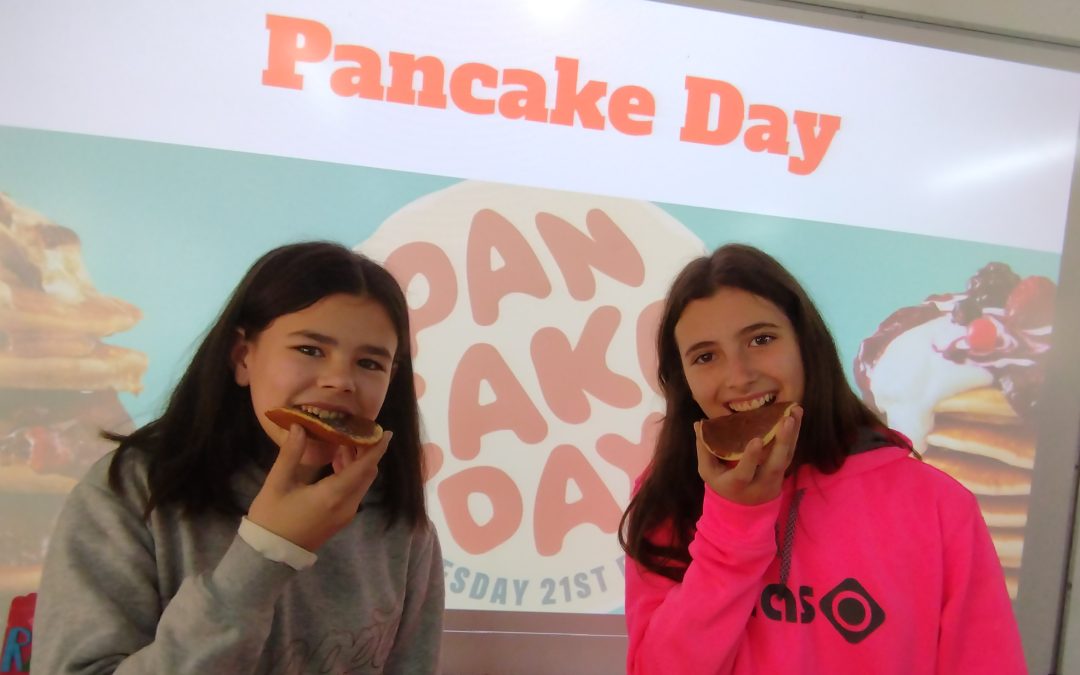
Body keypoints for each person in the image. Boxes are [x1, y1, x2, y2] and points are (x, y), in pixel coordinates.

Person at [32, 242, 444, 674]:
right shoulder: (131, 493)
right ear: (242, 356)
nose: (341, 380)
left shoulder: (400, 524)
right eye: (310, 350)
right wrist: (266, 551)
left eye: (370, 363)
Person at [618, 244, 1024, 674]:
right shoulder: (668, 495)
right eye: (705, 357)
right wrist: (734, 519)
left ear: (805, 344)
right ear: (684, 380)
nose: (738, 376)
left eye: (761, 339)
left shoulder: (938, 505)